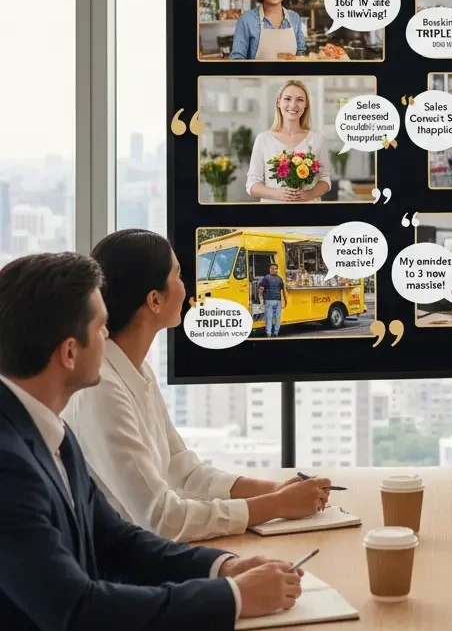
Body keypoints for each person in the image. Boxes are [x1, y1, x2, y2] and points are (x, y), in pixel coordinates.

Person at [0, 251, 306, 629]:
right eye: (100, 328)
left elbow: (117, 540)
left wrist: (226, 566)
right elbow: (78, 610)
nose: (108, 337)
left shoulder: (53, 436)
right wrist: (235, 596)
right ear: (68, 352)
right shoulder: (9, 466)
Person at [64, 230, 331, 543]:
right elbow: (162, 520)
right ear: (154, 300)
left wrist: (275, 490)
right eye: (178, 275)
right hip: (123, 571)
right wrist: (275, 505)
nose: (187, 286)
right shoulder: (102, 389)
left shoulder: (137, 369)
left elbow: (183, 470)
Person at [246, 80, 331, 203]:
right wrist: (278, 194)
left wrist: (309, 194)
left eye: (300, 100)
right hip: (274, 215)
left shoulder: (317, 139)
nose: (293, 105)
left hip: (309, 214)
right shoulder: (263, 139)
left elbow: (325, 180)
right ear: (278, 102)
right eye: (287, 99)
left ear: (306, 105)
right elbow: (252, 184)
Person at [229, 0, 306, 60]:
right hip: (256, 75)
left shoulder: (294, 18)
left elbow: (300, 55)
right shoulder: (247, 20)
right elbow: (237, 59)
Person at [258, 262, 288, 338]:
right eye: (273, 269)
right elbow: (283, 291)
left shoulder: (266, 278)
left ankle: (269, 334)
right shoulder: (279, 279)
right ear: (270, 269)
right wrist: (285, 301)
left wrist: (261, 300)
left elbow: (261, 290)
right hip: (276, 301)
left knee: (269, 317)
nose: (275, 270)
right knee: (277, 318)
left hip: (271, 301)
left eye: (276, 269)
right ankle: (275, 333)